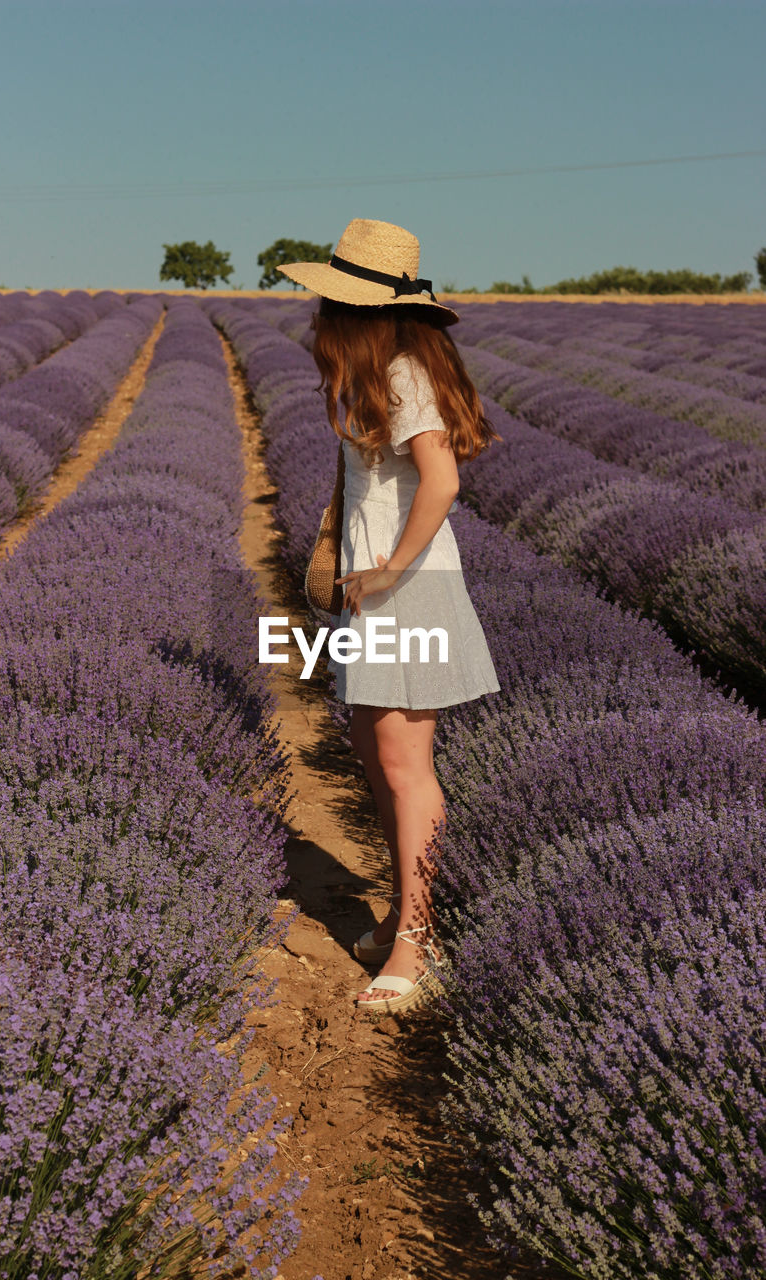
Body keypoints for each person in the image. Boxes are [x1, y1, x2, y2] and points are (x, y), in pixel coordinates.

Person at [278, 218, 501, 1014]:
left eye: (328, 304)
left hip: (410, 592)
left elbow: (440, 481)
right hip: (376, 596)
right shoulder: (377, 377)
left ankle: (419, 938)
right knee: (375, 755)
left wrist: (389, 568)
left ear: (358, 314)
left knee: (406, 769)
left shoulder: (406, 374)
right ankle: (407, 917)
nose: (316, 318)